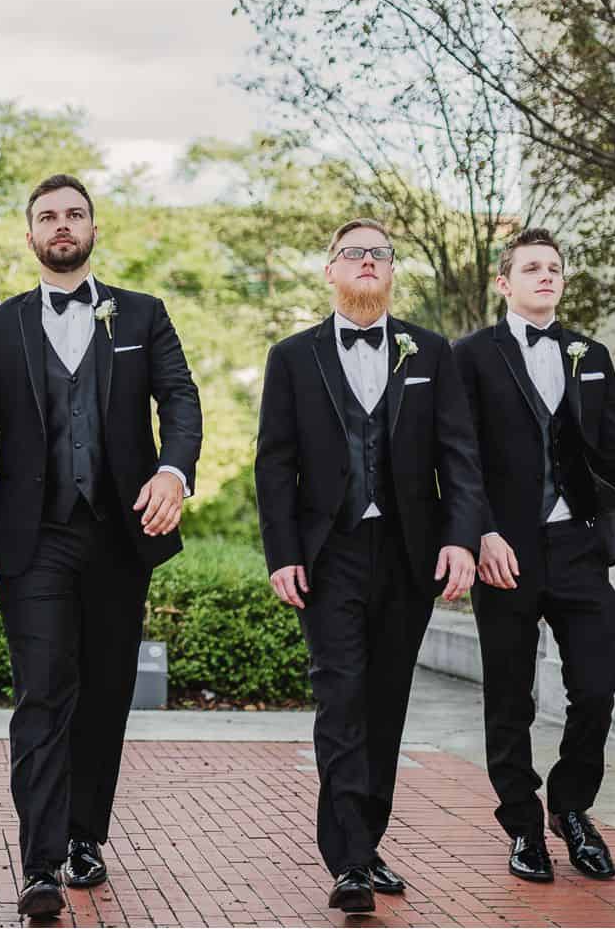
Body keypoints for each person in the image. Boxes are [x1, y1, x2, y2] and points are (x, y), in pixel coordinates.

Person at [0, 174, 202, 918]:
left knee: (104, 693)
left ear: (93, 229)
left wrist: (174, 469)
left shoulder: (143, 314)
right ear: (30, 234)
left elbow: (182, 399)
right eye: (47, 217)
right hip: (33, 541)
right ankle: (39, 863)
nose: (61, 226)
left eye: (73, 215)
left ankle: (83, 835)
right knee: (41, 692)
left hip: (118, 535)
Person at [254, 218, 484, 913]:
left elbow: (459, 455)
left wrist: (460, 537)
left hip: (410, 556)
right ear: (330, 271)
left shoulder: (431, 352)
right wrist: (283, 553)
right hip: (331, 555)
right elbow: (274, 463)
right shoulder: (293, 357)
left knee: (386, 704)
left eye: (378, 254)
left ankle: (368, 841)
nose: (365, 263)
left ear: (391, 273)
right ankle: (349, 860)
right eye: (352, 253)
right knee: (342, 700)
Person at [454, 227, 615, 882]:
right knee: (510, 699)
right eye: (532, 268)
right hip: (504, 550)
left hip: (579, 546)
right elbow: (456, 457)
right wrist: (478, 533)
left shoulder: (589, 353)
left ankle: (571, 808)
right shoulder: (470, 356)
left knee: (600, 682)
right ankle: (523, 825)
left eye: (554, 268)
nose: (546, 277)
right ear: (504, 282)